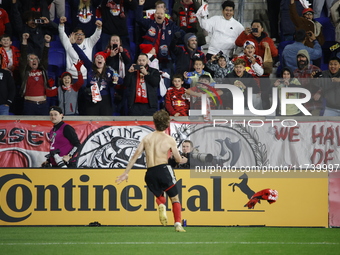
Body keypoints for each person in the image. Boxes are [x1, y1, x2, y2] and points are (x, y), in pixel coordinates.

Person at [116, 109, 186, 232]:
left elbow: (135, 156)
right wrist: (181, 159)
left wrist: (126, 173)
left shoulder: (146, 138)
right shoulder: (169, 139)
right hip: (163, 169)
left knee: (159, 195)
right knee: (175, 199)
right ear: (167, 123)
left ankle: (161, 205)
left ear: (154, 123)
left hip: (150, 173)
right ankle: (177, 224)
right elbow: (178, 159)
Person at [71, 33, 121, 116]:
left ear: (104, 61)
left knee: (105, 121)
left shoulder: (110, 70)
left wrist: (116, 80)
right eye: (97, 58)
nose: (99, 59)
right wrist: (74, 44)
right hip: (92, 99)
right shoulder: (90, 67)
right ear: (94, 61)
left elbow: (120, 81)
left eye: (101, 58)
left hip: (106, 100)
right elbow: (82, 55)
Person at [235, 19, 278, 110]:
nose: (255, 29)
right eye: (253, 27)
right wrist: (244, 33)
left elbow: (275, 54)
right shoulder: (248, 38)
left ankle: (266, 111)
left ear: (262, 29)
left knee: (265, 93)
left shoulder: (268, 40)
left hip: (264, 72)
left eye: (257, 27)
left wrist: (268, 47)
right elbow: (238, 43)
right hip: (250, 73)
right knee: (251, 92)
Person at [19, 33, 56, 115]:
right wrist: (24, 41)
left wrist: (46, 43)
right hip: (29, 104)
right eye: (31, 59)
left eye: (35, 58)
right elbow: (23, 58)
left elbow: (45, 57)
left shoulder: (43, 70)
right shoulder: (25, 71)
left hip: (43, 104)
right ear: (28, 62)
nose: (34, 60)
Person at [293, 49, 322, 114]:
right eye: (299, 57)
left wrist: (319, 93)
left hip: (313, 102)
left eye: (303, 57)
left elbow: (323, 85)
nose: (301, 59)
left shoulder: (316, 70)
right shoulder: (294, 72)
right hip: (299, 103)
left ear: (307, 58)